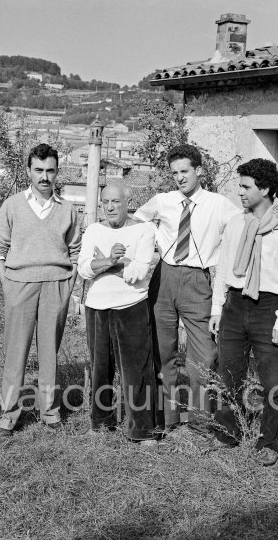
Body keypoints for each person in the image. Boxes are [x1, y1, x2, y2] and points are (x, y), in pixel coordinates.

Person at [134, 144, 278, 434]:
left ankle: (200, 421)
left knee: (203, 357)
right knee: (163, 352)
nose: (180, 178)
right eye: (174, 173)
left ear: (199, 171)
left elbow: (253, 219)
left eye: (185, 171)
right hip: (164, 277)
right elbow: (137, 223)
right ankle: (166, 418)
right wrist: (151, 243)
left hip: (198, 281)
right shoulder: (162, 200)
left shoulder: (219, 204)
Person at [208, 158, 278, 466]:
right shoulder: (238, 223)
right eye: (239, 185)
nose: (239, 192)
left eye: (245, 186)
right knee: (229, 373)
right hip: (235, 305)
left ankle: (269, 441)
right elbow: (224, 268)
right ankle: (229, 430)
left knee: (273, 380)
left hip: (270, 308)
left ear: (264, 189)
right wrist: (217, 307)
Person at [0, 143, 81, 436]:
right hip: (20, 284)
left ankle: (50, 412)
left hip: (56, 285)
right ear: (28, 171)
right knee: (15, 351)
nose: (44, 177)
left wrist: (69, 284)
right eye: (38, 170)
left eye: (50, 171)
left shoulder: (67, 209)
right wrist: (6, 282)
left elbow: (76, 250)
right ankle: (8, 415)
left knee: (49, 353)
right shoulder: (12, 205)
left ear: (57, 173)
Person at [78, 182, 158, 445]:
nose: (110, 207)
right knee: (101, 368)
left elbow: (139, 273)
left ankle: (142, 430)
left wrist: (105, 264)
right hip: (97, 307)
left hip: (131, 306)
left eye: (115, 202)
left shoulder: (144, 230)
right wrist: (112, 261)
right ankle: (101, 422)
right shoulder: (93, 230)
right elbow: (84, 270)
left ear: (127, 202)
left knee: (137, 370)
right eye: (105, 202)